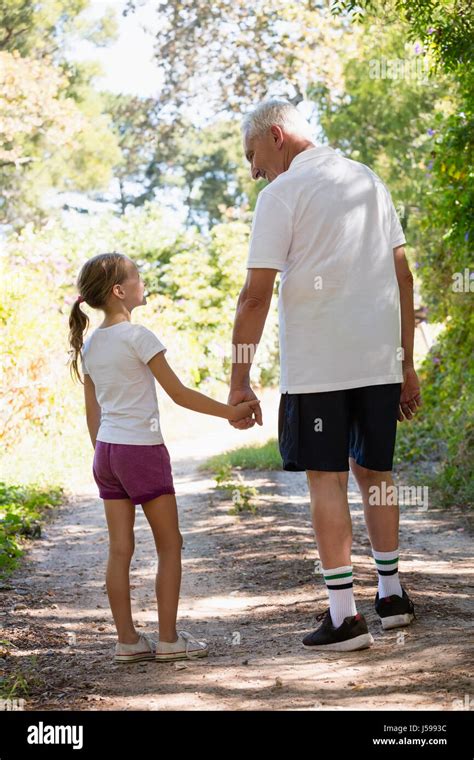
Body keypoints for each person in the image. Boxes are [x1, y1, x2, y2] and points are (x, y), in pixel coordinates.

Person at [227, 99, 420, 651]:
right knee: (375, 472)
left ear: (278, 135)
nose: (253, 169)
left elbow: (254, 295)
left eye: (253, 154)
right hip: (378, 361)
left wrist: (239, 381)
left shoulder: (281, 195)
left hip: (320, 369)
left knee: (327, 479)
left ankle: (344, 617)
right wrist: (405, 363)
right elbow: (402, 277)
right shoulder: (368, 180)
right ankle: (391, 595)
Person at [68, 252, 261, 663]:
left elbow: (92, 412)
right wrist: (230, 412)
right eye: (136, 276)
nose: (142, 281)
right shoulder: (139, 337)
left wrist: (103, 455)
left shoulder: (92, 345)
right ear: (120, 291)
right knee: (170, 544)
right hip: (142, 451)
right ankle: (170, 639)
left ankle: (127, 640)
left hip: (107, 452)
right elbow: (179, 394)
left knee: (120, 549)